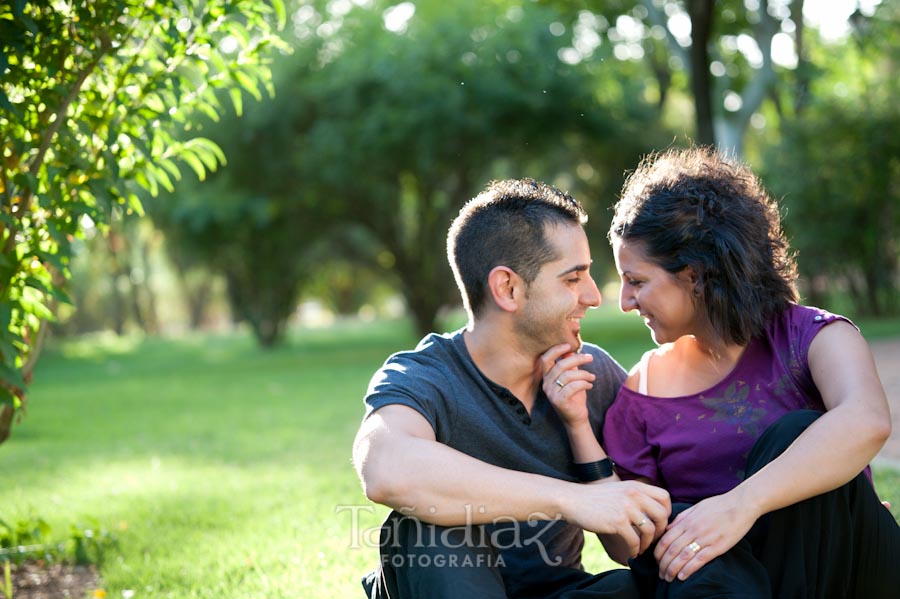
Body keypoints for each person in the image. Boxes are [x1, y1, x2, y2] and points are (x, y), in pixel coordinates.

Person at [548, 146, 900, 598]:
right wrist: (578, 426)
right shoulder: (645, 391)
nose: (625, 302)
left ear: (694, 275)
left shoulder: (813, 337)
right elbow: (625, 546)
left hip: (846, 572)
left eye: (637, 281)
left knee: (794, 434)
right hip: (728, 586)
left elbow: (866, 421)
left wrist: (738, 507)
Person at [352, 178, 673, 599]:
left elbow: (629, 544)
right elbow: (386, 470)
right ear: (507, 288)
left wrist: (581, 435)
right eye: (573, 279)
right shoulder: (425, 376)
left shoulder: (589, 374)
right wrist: (569, 499)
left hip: (557, 590)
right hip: (447, 583)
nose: (594, 297)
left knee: (668, 585)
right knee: (426, 526)